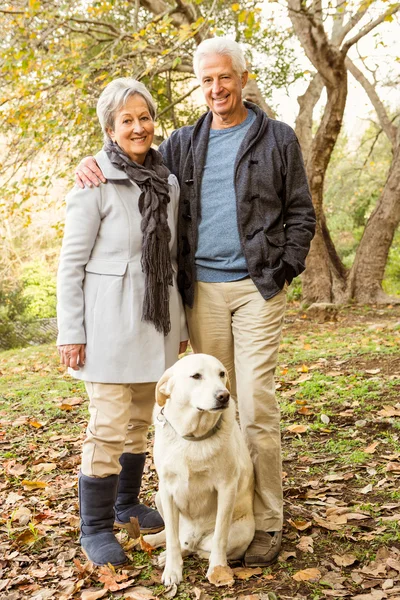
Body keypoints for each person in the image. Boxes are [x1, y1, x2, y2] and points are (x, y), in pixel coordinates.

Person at [75, 38, 316, 567]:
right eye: (205, 81)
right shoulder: (185, 142)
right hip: (201, 290)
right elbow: (134, 158)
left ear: (244, 77)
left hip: (258, 287)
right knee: (206, 405)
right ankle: (210, 516)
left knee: (254, 403)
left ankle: (266, 521)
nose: (216, 89)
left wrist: (282, 269)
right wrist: (91, 163)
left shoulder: (276, 138)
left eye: (224, 77)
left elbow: (302, 212)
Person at [57, 77, 188, 567]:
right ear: (110, 129)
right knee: (109, 424)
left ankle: (126, 503)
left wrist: (180, 329)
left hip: (155, 321)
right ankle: (93, 528)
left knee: (140, 419)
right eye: (127, 120)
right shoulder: (93, 182)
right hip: (108, 323)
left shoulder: (168, 181)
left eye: (145, 117)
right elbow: (70, 264)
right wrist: (70, 331)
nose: (138, 127)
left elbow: (172, 258)